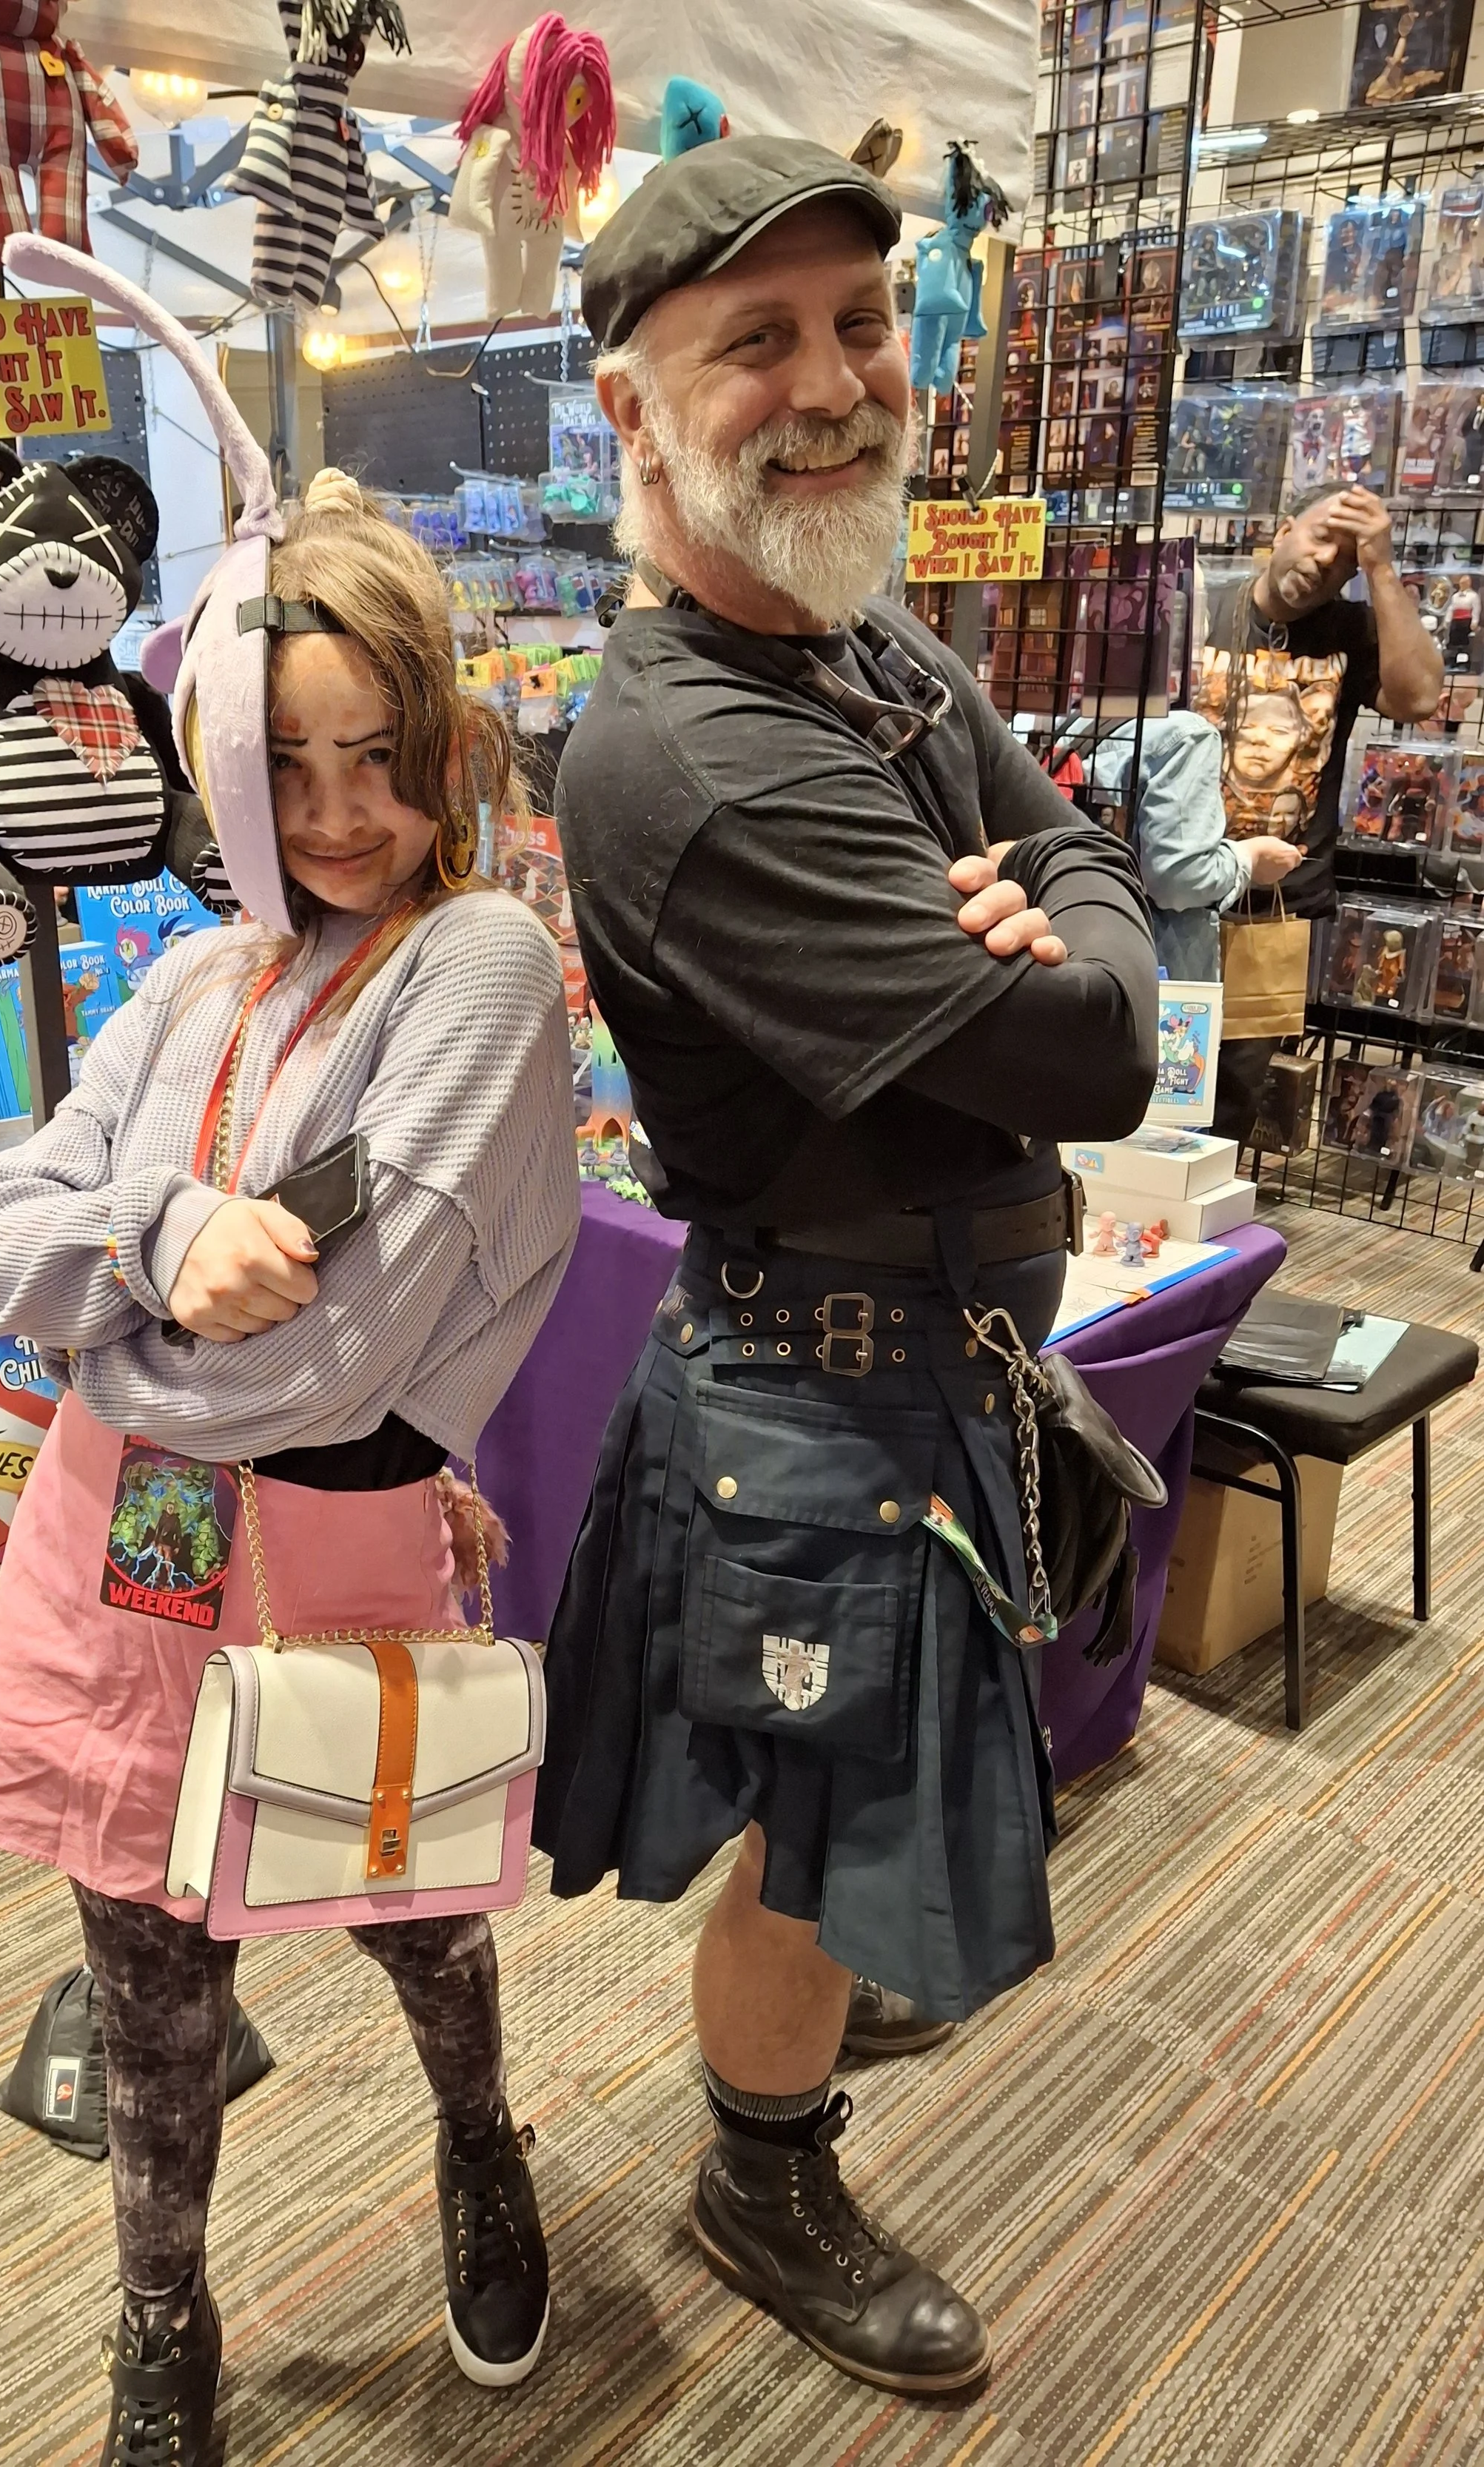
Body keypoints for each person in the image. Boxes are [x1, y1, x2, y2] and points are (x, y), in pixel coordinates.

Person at [531, 138, 1160, 2397]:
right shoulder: (689, 754)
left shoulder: (856, 640)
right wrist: (1058, 926)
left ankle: (810, 2017)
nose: (832, 383)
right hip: (819, 1398)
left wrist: (1059, 898)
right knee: (813, 1832)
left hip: (917, 1367)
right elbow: (1098, 1045)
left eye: (860, 326)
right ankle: (758, 2169)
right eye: (757, 343)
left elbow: (1087, 864)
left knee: (861, 1793)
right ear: (631, 408)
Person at [0, 469, 579, 2462]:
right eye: (283, 762)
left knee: (410, 1905)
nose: (332, 814)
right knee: (145, 1958)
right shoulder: (198, 972)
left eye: (375, 754)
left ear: (440, 740)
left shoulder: (474, 965)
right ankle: (162, 2313)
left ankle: (480, 2141)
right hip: (121, 1552)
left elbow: (316, 1367)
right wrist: (153, 1244)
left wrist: (97, 1317)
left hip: (336, 1533)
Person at [1191, 483, 1443, 1138]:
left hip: (1274, 905)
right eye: (1320, 537)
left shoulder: (1349, 631)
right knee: (1144, 1066)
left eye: (1346, 560)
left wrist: (1381, 567)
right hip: (1172, 889)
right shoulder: (1201, 609)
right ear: (1283, 530)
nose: (1325, 561)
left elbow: (1419, 698)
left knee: (1230, 1096)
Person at [1085, 711, 1302, 979]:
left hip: (1075, 950)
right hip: (1148, 973)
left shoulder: (1074, 725)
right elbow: (1180, 879)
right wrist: (1249, 858)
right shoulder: (1187, 736)